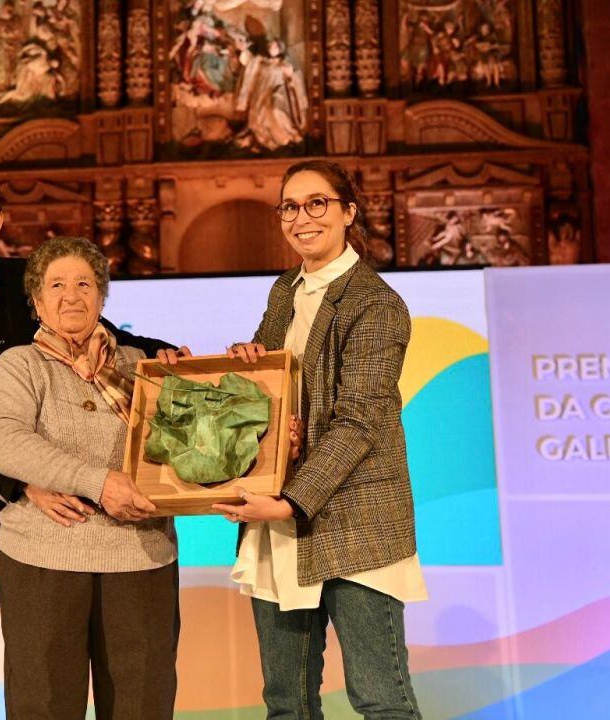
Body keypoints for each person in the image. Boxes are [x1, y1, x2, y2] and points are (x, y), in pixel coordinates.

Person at [0, 170, 184, 719]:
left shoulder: (42, 279)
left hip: (65, 513)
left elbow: (110, 334)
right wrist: (25, 482)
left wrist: (168, 354)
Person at [217, 160, 426, 719]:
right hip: (279, 518)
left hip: (352, 520)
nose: (301, 217)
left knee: (381, 701)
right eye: (290, 206)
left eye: (317, 203)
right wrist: (247, 366)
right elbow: (274, 386)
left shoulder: (376, 304)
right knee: (288, 704)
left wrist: (288, 499)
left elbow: (360, 420)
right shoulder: (285, 288)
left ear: (348, 212)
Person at [0, 236, 178, 719]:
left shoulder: (142, 367)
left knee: (143, 706)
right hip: (44, 558)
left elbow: (191, 448)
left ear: (102, 297)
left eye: (84, 283)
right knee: (43, 707)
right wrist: (98, 481)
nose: (72, 295)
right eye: (57, 285)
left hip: (141, 559)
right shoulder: (21, 365)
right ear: (38, 302)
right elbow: (2, 439)